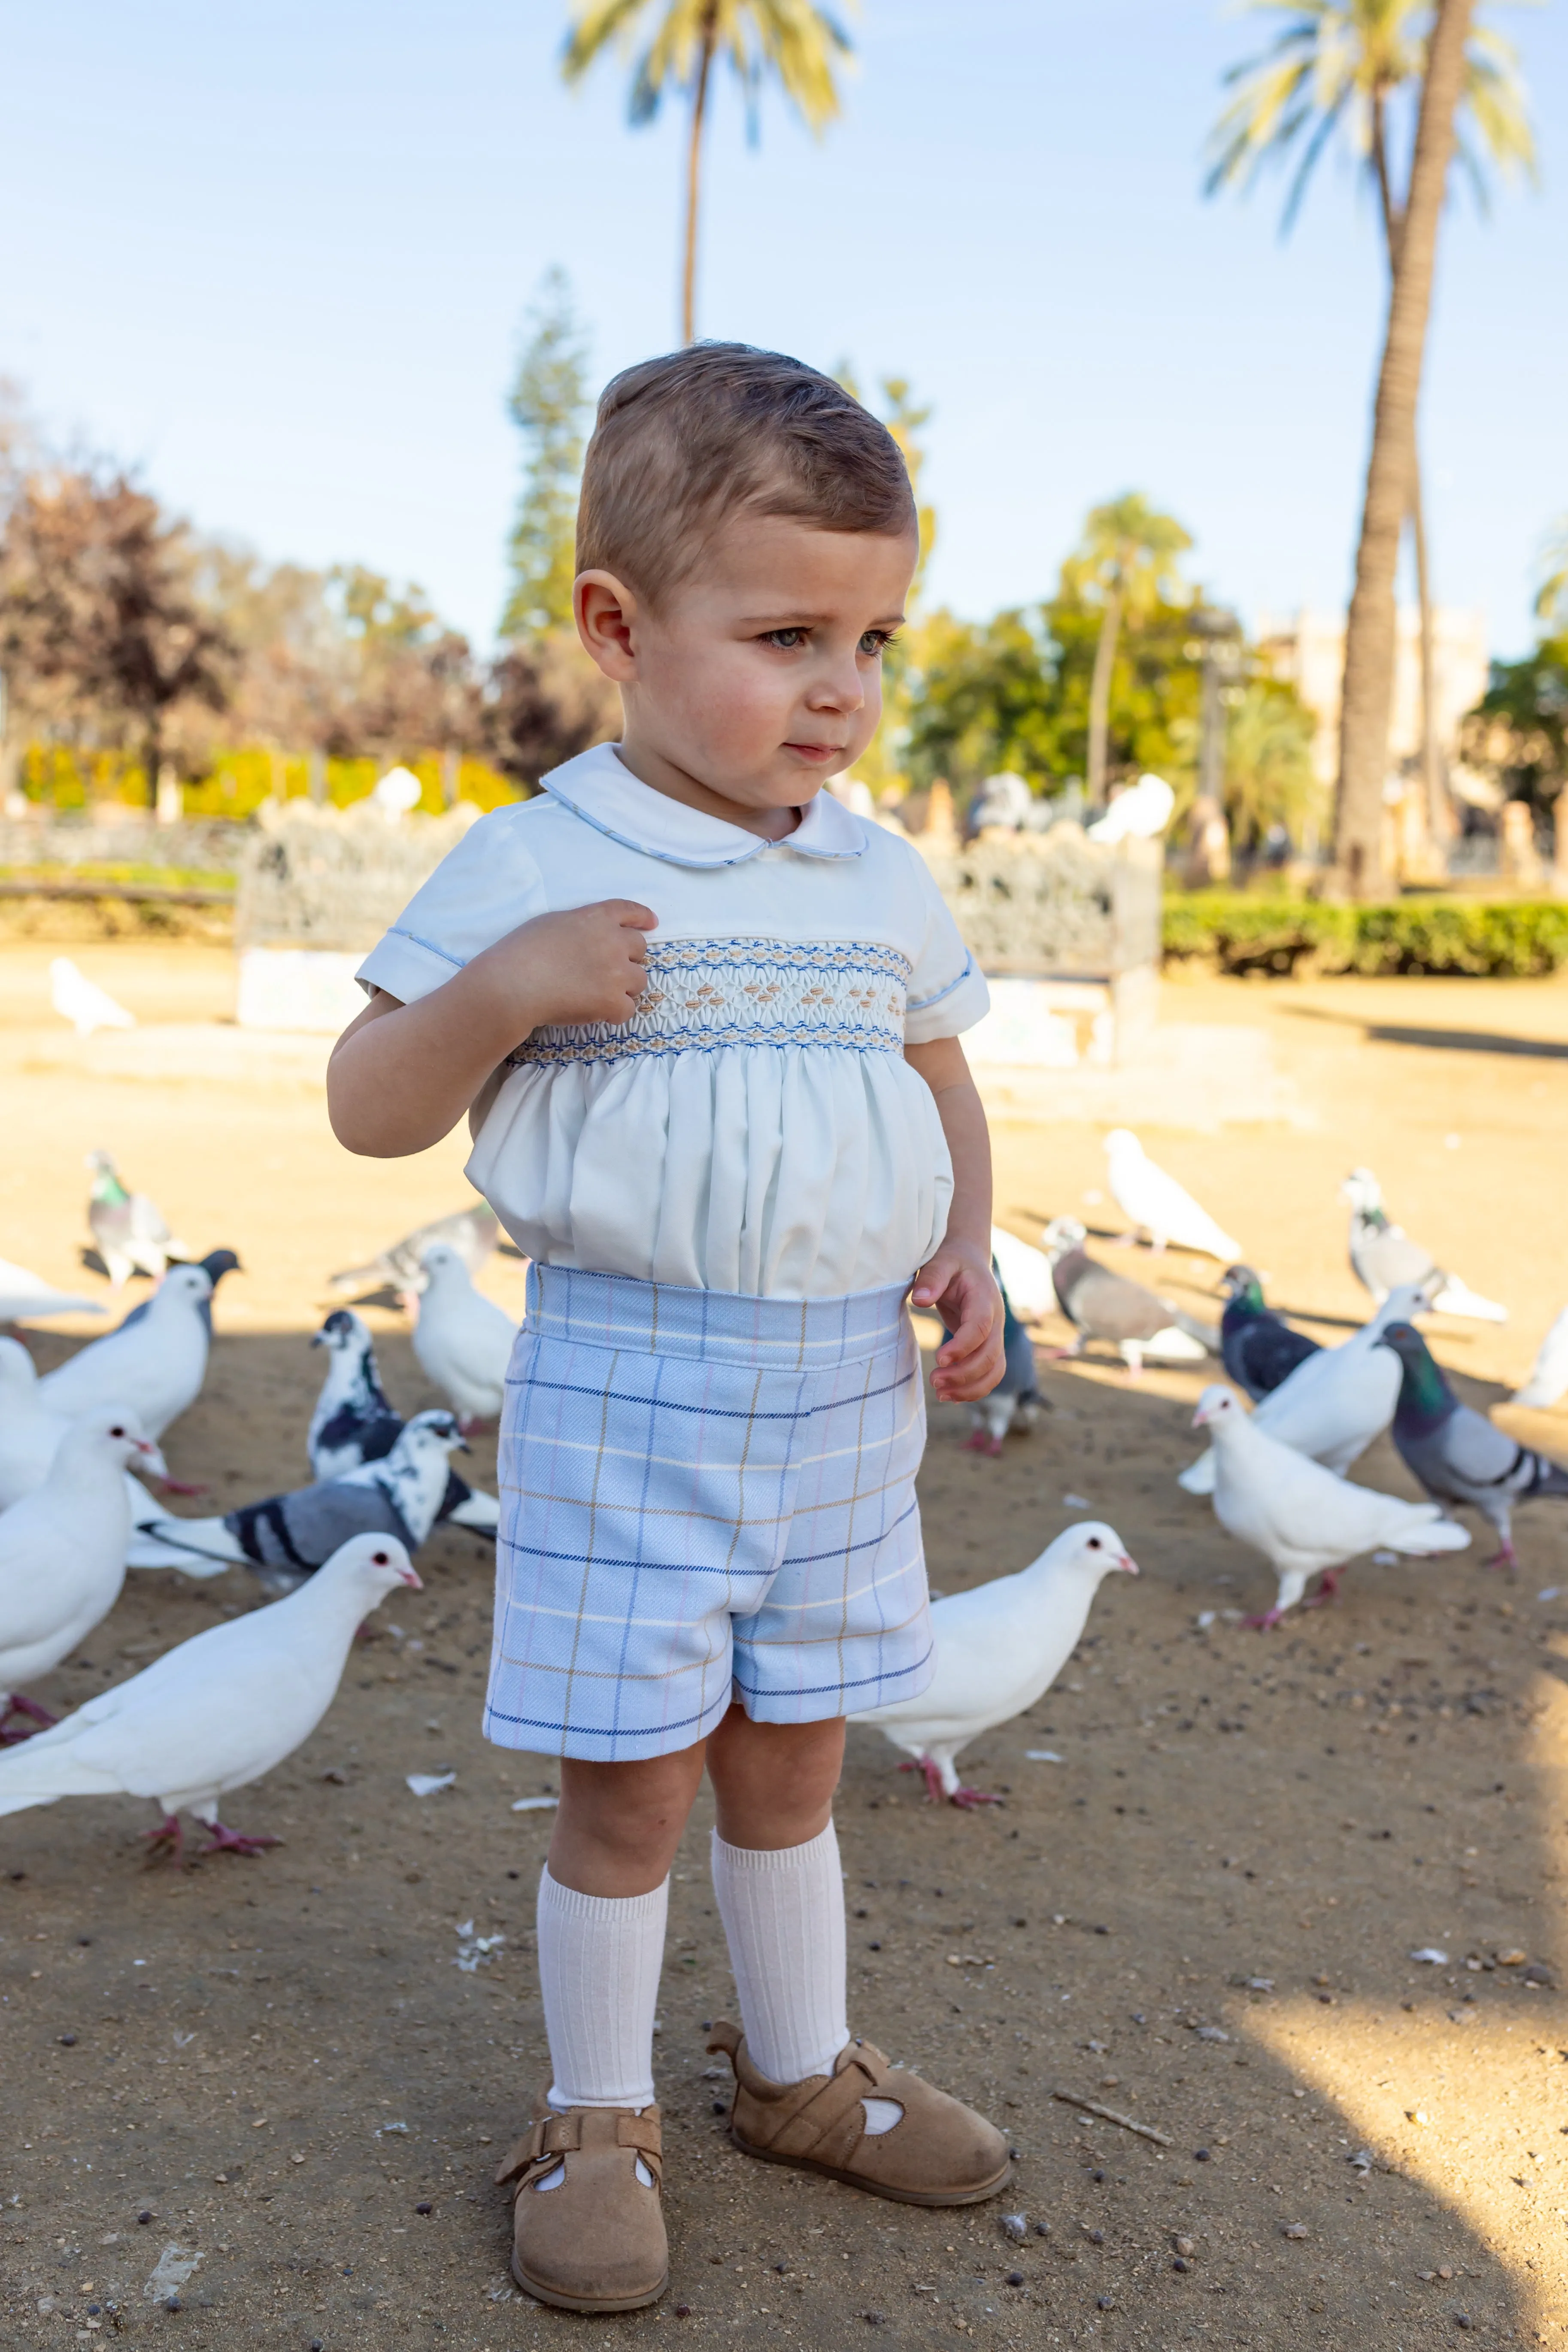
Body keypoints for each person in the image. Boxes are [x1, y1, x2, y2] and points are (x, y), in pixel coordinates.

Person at [328, 342, 1010, 2315]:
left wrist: (968, 1245)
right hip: (629, 1376)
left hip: (839, 1389)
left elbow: (940, 1072)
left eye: (874, 638)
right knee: (631, 1774)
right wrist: (506, 987)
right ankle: (597, 2111)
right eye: (788, 630)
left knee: (794, 1752)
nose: (841, 689)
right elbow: (373, 1098)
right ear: (617, 627)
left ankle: (797, 2073)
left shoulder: (880, 873)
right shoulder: (541, 856)